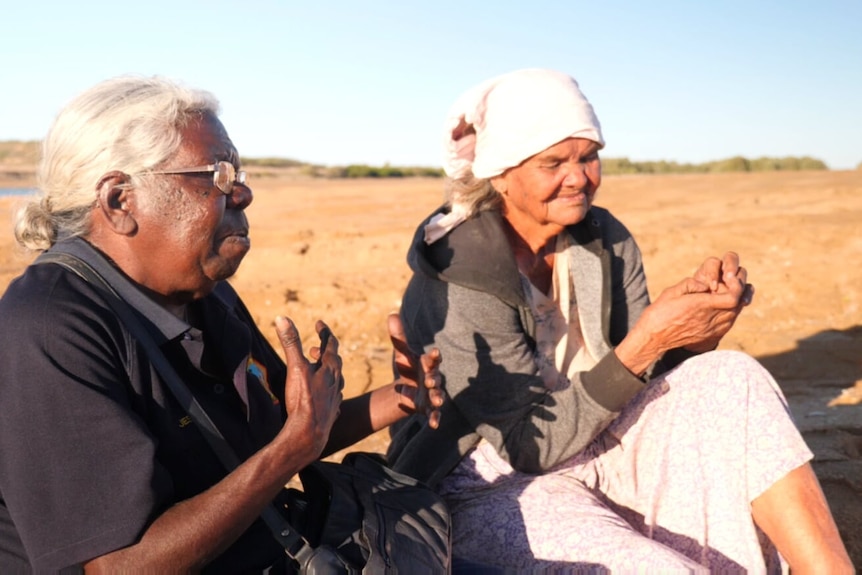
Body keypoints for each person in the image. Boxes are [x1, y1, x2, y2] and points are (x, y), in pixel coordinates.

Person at [386, 68, 853, 573]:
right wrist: (649, 339)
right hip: (490, 478)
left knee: (731, 378)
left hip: (598, 436)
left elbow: (636, 378)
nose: (579, 178)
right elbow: (530, 445)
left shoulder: (603, 237)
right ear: (501, 173)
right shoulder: (459, 269)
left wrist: (691, 339)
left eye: (589, 157)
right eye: (553, 163)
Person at [0, 76, 443, 573]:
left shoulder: (204, 293)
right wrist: (289, 453)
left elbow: (292, 428)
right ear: (120, 200)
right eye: (218, 175)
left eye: (240, 173)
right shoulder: (48, 328)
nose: (244, 193)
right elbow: (119, 566)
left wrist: (397, 398)